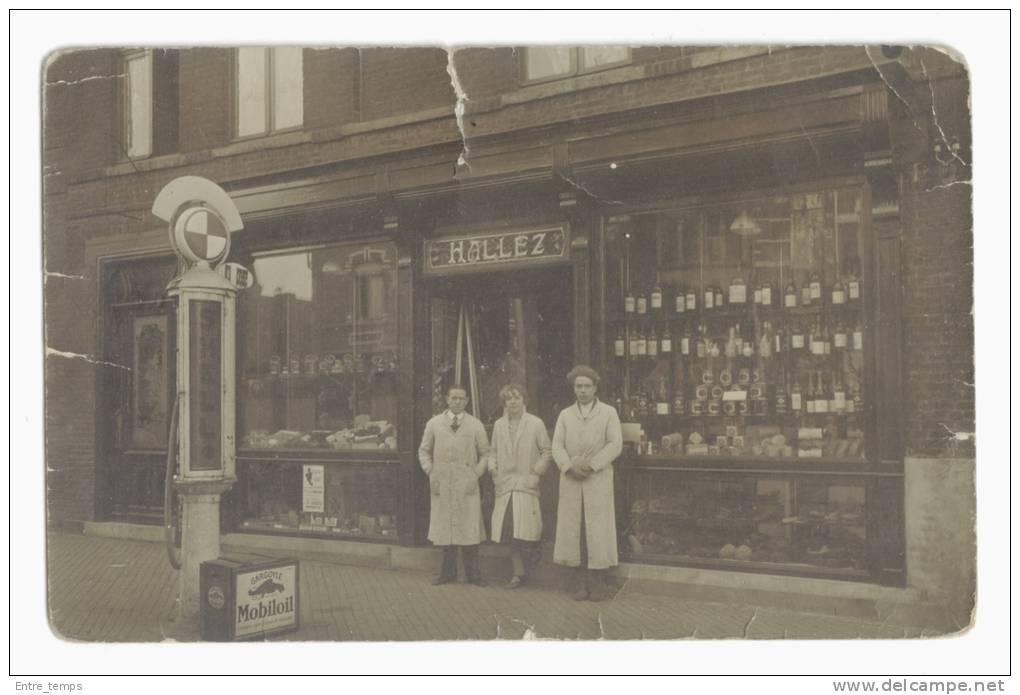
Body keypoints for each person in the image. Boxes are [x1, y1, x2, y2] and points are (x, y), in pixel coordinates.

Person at [551, 365, 623, 601]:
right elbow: (557, 446)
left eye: (587, 386)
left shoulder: (608, 413)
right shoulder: (565, 415)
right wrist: (569, 466)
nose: (582, 391)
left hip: (597, 479)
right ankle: (579, 583)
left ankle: (598, 583)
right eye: (578, 386)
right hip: (572, 479)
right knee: (576, 530)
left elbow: (615, 444)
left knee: (597, 530)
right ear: (573, 389)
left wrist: (592, 465)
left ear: (595, 387)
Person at [418, 384, 491, 586]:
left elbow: (486, 453)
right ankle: (447, 573)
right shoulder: (434, 424)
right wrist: (430, 470)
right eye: (454, 398)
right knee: (446, 529)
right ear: (447, 400)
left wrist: (475, 474)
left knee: (469, 528)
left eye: (461, 398)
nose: (457, 401)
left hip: (467, 482)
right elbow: (424, 450)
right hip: (442, 481)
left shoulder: (475, 425)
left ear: (467, 400)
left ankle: (473, 574)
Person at [488, 384, 552, 589]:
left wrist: (536, 473)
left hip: (526, 484)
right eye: (509, 398)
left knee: (529, 532)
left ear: (524, 400)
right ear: (504, 402)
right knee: (509, 533)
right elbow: (493, 452)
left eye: (517, 398)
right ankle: (518, 573)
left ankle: (532, 564)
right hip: (506, 485)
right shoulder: (499, 425)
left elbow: (546, 451)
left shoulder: (535, 423)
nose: (513, 402)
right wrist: (494, 470)